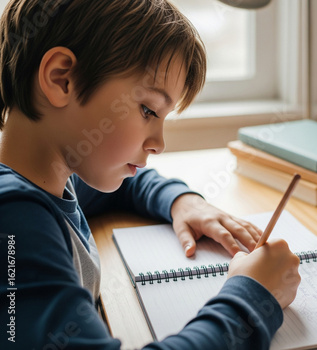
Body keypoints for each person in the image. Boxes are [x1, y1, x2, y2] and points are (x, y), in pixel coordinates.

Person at [0, 1, 301, 349]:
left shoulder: (45, 178)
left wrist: (182, 202)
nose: (158, 143)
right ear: (61, 78)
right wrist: (252, 299)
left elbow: (119, 188)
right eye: (148, 110)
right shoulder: (15, 217)